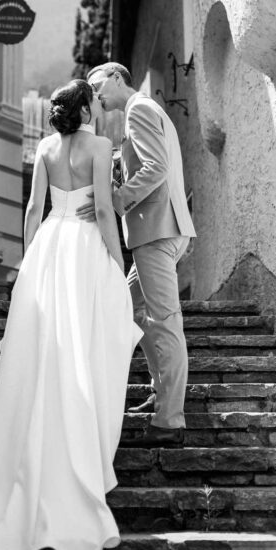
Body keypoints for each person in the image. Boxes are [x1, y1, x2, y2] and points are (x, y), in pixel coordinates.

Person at [0, 78, 142, 550]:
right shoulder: (100, 145)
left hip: (50, 247)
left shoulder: (47, 148)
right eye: (92, 100)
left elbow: (32, 211)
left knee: (45, 351)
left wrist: (29, 263)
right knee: (82, 348)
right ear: (87, 107)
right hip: (85, 248)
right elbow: (105, 213)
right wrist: (117, 265)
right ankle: (78, 448)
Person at [79, 62, 196, 447]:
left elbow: (156, 167)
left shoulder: (139, 109)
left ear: (116, 77)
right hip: (156, 229)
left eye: (97, 85)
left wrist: (116, 199)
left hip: (156, 231)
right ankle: (159, 393)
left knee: (164, 321)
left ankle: (171, 420)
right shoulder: (141, 110)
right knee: (129, 312)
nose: (95, 94)